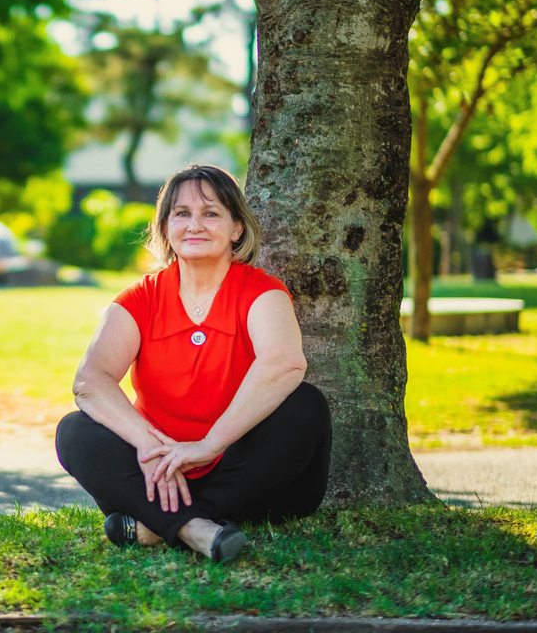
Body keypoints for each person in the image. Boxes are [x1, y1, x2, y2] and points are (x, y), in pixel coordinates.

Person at [54, 164, 332, 564]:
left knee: (306, 406)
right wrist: (152, 448)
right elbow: (91, 382)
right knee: (75, 432)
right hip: (161, 475)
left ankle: (153, 526)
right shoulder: (141, 298)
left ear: (237, 227)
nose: (194, 225)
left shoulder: (261, 291)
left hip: (250, 474)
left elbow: (284, 363)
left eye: (211, 213)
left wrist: (209, 445)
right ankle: (197, 529)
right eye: (181, 213)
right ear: (166, 227)